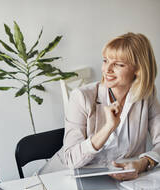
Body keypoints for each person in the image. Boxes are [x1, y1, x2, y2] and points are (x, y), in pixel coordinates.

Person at [64, 32, 160, 181]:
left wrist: (142, 163)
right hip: (75, 177)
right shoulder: (81, 97)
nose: (107, 69)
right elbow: (70, 160)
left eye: (118, 64)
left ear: (138, 69)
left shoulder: (147, 95)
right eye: (105, 61)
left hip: (126, 181)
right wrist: (108, 127)